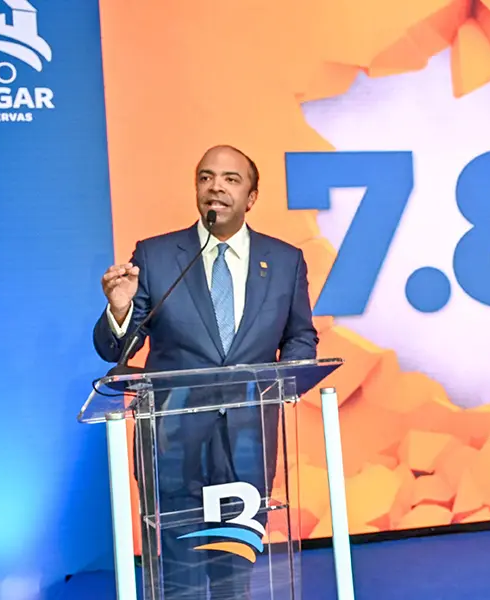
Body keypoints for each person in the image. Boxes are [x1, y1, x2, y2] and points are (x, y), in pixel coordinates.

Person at [93, 145, 319, 599]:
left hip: (248, 437)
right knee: (181, 573)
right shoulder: (156, 256)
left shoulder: (286, 260)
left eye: (231, 179)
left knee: (235, 570)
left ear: (251, 197)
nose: (216, 187)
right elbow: (115, 349)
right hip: (172, 440)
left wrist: (286, 380)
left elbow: (300, 336)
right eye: (206, 177)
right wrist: (119, 311)